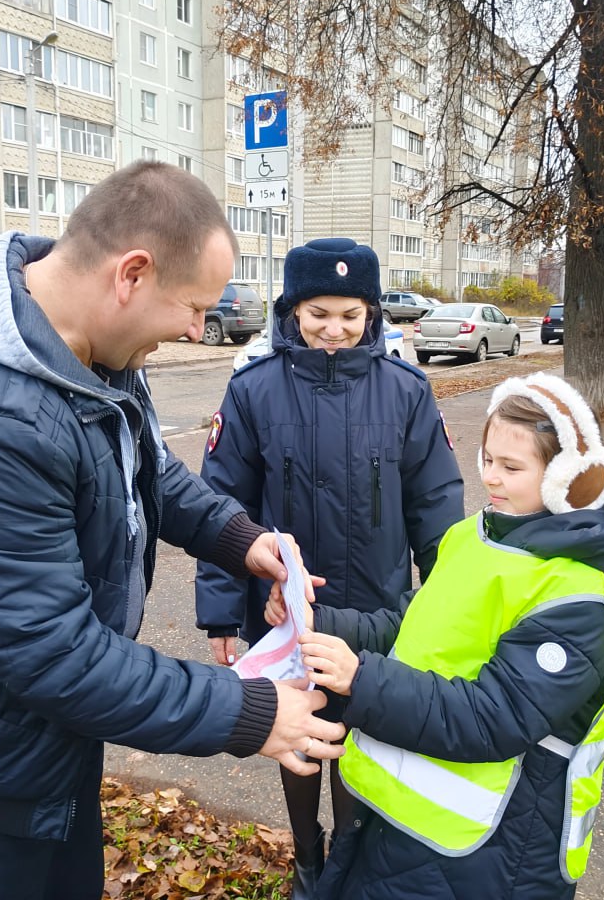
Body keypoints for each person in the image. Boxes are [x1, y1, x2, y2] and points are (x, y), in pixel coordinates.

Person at [0, 162, 345, 900]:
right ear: (132, 275)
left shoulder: (87, 350)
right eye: (193, 307)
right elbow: (56, 655)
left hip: (42, 732)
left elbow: (146, 468)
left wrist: (242, 539)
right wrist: (248, 711)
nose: (195, 329)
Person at [281, 372, 604, 899]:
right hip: (408, 823)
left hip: (493, 851)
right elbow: (414, 622)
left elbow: (493, 716)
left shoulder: (582, 600)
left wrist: (360, 679)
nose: (491, 477)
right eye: (487, 458)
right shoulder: (476, 536)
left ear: (570, 480)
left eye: (512, 467)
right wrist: (318, 622)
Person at [194, 237, 465, 896]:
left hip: (376, 607)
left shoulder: (405, 391)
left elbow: (436, 504)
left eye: (350, 314)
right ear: (293, 310)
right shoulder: (254, 390)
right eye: (319, 313)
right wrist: (221, 613)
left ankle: (346, 859)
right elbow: (224, 505)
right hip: (285, 610)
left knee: (358, 734)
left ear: (371, 314)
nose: (335, 329)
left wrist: (449, 604)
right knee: (296, 734)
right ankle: (306, 857)